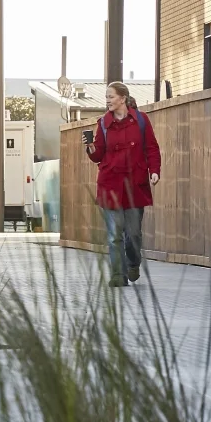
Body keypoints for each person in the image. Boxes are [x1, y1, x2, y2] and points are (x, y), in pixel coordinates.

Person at [86, 80, 162, 286]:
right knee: (114, 235)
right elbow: (98, 154)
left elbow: (152, 149)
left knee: (134, 234)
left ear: (123, 98)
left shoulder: (141, 120)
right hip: (110, 183)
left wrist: (154, 171)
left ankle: (133, 263)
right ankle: (118, 275)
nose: (107, 100)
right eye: (107, 97)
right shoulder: (103, 123)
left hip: (135, 184)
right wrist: (91, 148)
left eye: (111, 96)